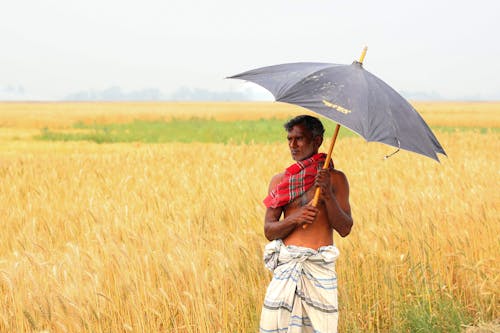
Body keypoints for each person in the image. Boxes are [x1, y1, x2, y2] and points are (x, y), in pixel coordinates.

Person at [259, 115, 353, 333]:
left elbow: (345, 228)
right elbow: (269, 230)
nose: (293, 145)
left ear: (317, 140)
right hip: (286, 270)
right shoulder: (280, 181)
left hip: (319, 271)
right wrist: (295, 218)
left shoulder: (336, 179)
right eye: (289, 139)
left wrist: (327, 193)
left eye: (299, 139)